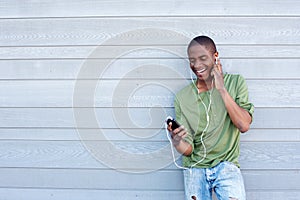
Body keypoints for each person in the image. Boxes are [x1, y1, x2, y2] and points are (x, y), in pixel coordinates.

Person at [167, 36, 254, 200]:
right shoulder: (182, 97)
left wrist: (221, 89)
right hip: (195, 167)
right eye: (192, 60)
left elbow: (243, 125)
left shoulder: (235, 82)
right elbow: (188, 150)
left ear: (215, 56)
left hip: (226, 164)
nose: (197, 65)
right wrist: (177, 141)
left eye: (202, 58)